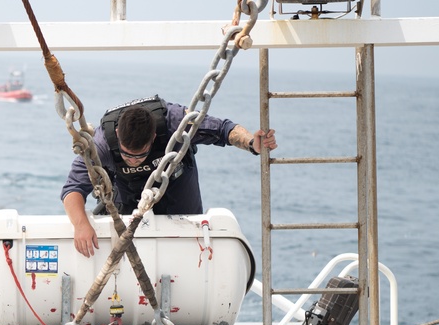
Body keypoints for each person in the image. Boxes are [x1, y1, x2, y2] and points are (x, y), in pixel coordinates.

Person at [61, 95, 277, 257]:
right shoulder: (102, 143)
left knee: (187, 250)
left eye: (140, 155)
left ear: (154, 137)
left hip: (178, 186)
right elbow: (72, 189)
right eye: (127, 155)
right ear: (118, 136)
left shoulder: (174, 121)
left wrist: (252, 143)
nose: (134, 160)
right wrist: (81, 225)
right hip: (128, 193)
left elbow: (223, 129)